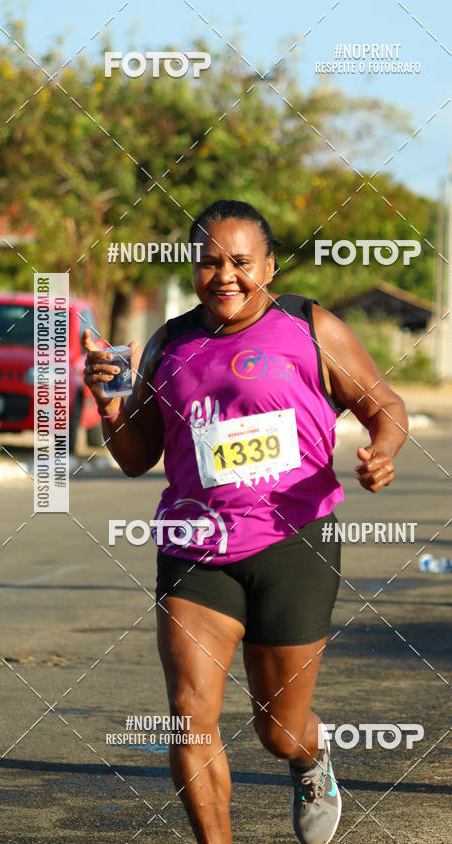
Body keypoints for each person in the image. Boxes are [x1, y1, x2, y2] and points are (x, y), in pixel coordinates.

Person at [83, 200, 408, 844]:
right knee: (188, 714)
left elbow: (384, 403)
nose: (225, 276)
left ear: (270, 266)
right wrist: (109, 401)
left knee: (278, 729)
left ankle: (310, 757)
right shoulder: (170, 342)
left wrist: (383, 452)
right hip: (194, 544)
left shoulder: (308, 326)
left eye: (241, 262)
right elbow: (136, 457)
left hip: (294, 543)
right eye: (210, 262)